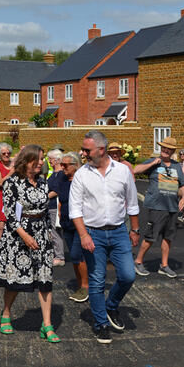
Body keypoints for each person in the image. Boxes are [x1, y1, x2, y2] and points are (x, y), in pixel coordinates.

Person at [70, 130, 140, 344]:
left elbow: (132, 202)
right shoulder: (82, 174)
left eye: (87, 150)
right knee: (97, 280)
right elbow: (75, 209)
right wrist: (83, 235)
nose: (83, 153)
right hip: (93, 233)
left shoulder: (122, 171)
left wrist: (135, 230)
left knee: (128, 275)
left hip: (119, 232)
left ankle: (111, 306)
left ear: (101, 150)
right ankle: (101, 323)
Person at [0, 145, 59, 343]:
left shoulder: (43, 182)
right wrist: (24, 236)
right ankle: (6, 313)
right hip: (19, 236)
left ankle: (47, 324)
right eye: (36, 159)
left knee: (45, 280)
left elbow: (45, 211)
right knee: (16, 281)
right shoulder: (12, 182)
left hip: (41, 235)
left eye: (42, 159)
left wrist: (48, 234)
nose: (40, 163)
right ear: (26, 161)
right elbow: (10, 214)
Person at [133, 136, 184, 277]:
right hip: (157, 206)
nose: (166, 150)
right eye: (164, 147)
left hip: (172, 207)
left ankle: (164, 265)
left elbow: (182, 184)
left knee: (168, 237)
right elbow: (136, 170)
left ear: (172, 151)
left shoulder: (176, 166)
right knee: (151, 236)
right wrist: (152, 164)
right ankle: (138, 261)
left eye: (169, 149)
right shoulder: (154, 162)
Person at [55, 152, 88, 302]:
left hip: (80, 223)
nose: (62, 167)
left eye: (65, 165)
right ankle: (79, 285)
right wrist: (60, 213)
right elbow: (61, 198)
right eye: (61, 164)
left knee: (77, 255)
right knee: (75, 258)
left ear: (76, 165)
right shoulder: (63, 178)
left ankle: (85, 287)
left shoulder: (82, 179)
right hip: (66, 222)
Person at [45, 149, 66, 267]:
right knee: (51, 232)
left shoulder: (61, 174)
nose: (49, 161)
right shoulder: (54, 174)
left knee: (55, 231)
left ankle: (59, 257)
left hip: (55, 206)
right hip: (50, 205)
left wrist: (43, 198)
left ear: (58, 160)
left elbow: (57, 190)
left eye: (51, 159)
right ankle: (55, 254)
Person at [0, 143, 14, 239]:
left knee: (14, 223)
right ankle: (1, 247)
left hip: (14, 195)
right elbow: (0, 182)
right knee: (2, 224)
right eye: (4, 153)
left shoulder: (14, 164)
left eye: (8, 153)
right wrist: (11, 173)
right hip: (2, 196)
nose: (6, 155)